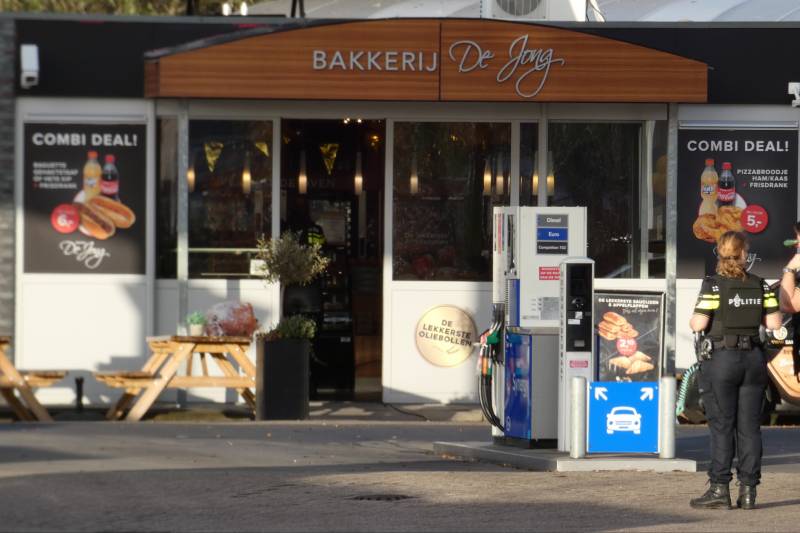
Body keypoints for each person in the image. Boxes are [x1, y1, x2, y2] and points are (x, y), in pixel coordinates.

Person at [689, 231, 781, 510]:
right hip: (753, 360)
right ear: (743, 255)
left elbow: (697, 324)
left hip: (722, 361)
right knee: (750, 428)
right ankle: (749, 491)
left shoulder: (713, 286)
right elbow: (775, 322)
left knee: (722, 427)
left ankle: (719, 489)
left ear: (720, 253)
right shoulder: (761, 285)